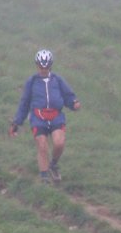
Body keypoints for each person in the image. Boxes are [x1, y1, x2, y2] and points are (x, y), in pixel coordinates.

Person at [9, 49, 80, 183]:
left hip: (56, 117)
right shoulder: (31, 82)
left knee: (59, 143)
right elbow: (24, 103)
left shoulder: (57, 80)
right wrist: (16, 123)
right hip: (38, 118)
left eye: (46, 67)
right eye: (41, 67)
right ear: (37, 66)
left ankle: (53, 164)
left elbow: (68, 95)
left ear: (50, 66)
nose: (43, 70)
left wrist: (74, 103)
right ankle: (44, 178)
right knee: (42, 145)